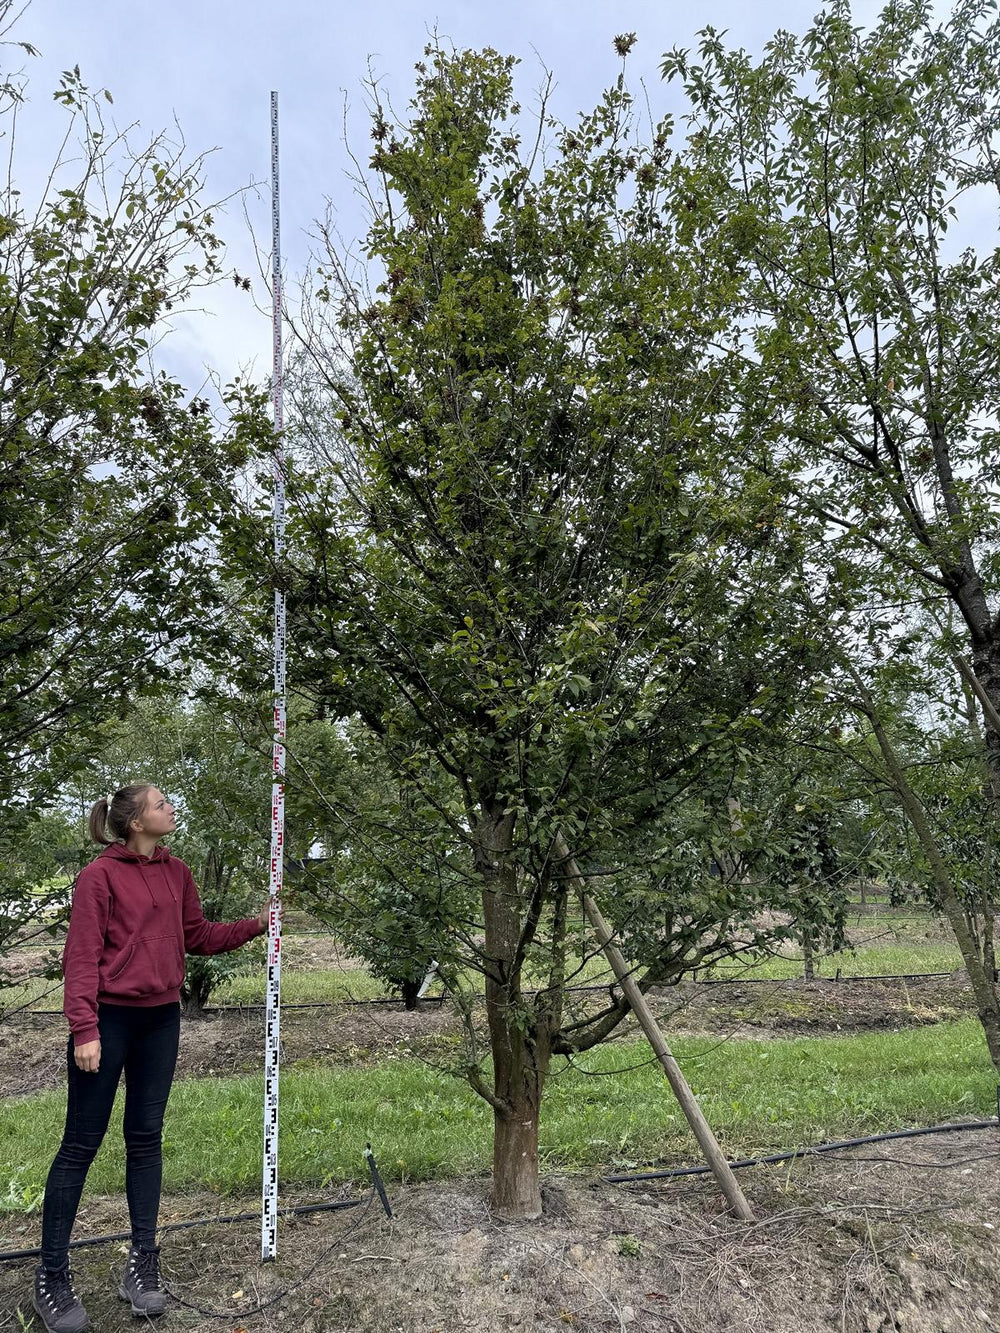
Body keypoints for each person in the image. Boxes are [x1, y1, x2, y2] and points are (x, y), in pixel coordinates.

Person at [32, 784, 273, 1333]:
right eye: (161, 804)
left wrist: (256, 925)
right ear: (135, 821)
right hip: (108, 1023)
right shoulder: (100, 876)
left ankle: (142, 1266)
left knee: (145, 1139)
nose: (171, 809)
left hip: (161, 1020)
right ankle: (51, 1275)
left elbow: (197, 935)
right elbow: (82, 956)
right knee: (80, 1144)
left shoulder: (177, 871)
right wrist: (84, 1028)